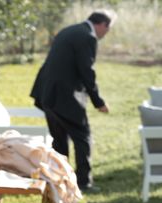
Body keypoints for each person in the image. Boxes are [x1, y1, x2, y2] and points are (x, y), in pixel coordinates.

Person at [30, 10, 115, 192]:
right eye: (107, 30)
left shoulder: (69, 30)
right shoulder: (87, 37)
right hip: (65, 95)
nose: (104, 35)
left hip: (47, 93)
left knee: (59, 139)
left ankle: (59, 179)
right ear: (102, 25)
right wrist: (98, 101)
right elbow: (87, 72)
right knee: (82, 137)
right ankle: (83, 182)